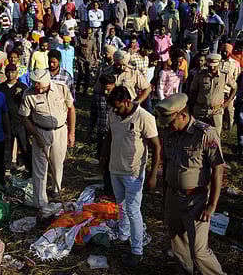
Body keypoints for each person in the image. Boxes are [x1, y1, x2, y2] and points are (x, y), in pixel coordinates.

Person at [155, 93, 226, 275]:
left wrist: (212, 205)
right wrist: (165, 197)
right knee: (178, 243)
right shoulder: (170, 133)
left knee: (199, 251)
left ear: (182, 115)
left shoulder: (205, 134)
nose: (168, 126)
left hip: (196, 200)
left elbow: (218, 169)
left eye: (171, 122)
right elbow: (168, 164)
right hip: (173, 196)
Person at [100, 86, 160, 267]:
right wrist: (104, 156)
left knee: (134, 210)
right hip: (115, 169)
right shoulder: (113, 114)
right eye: (114, 108)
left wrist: (153, 174)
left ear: (127, 101)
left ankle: (137, 250)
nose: (115, 111)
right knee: (121, 205)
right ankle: (123, 234)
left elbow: (156, 146)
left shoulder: (145, 118)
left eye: (118, 107)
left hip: (133, 173)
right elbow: (110, 135)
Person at [19, 69, 76, 215]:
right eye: (34, 84)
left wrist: (71, 132)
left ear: (46, 82)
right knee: (40, 167)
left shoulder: (61, 88)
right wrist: (35, 134)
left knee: (58, 162)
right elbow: (24, 117)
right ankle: (40, 202)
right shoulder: (29, 94)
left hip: (60, 130)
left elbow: (71, 109)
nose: (36, 87)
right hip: (41, 132)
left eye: (38, 84)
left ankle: (56, 190)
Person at [190, 54, 237, 136]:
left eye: (214, 66)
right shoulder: (199, 75)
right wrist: (191, 108)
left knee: (214, 138)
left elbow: (234, 88)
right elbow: (193, 92)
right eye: (209, 66)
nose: (212, 68)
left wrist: (227, 103)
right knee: (198, 135)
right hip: (201, 111)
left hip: (216, 111)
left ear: (218, 64)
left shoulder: (225, 75)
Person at [0, 63, 31, 172]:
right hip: (5, 121)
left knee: (24, 145)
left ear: (17, 73)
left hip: (20, 121)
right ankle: (6, 168)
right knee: (6, 145)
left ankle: (29, 168)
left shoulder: (23, 88)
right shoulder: (0, 88)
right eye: (8, 72)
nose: (10, 75)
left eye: (12, 72)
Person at [220, 43, 240, 130]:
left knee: (229, 110)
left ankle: (230, 126)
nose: (224, 53)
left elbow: (236, 78)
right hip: (218, 90)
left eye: (226, 52)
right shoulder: (217, 62)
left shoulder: (235, 64)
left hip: (229, 91)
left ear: (230, 52)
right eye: (223, 51)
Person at [75, 27, 98, 96]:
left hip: (89, 59)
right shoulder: (80, 38)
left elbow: (94, 50)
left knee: (87, 75)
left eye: (90, 33)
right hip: (81, 58)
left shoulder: (93, 41)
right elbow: (76, 47)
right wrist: (82, 46)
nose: (88, 35)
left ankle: (85, 90)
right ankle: (77, 87)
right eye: (87, 33)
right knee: (81, 73)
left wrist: (96, 60)